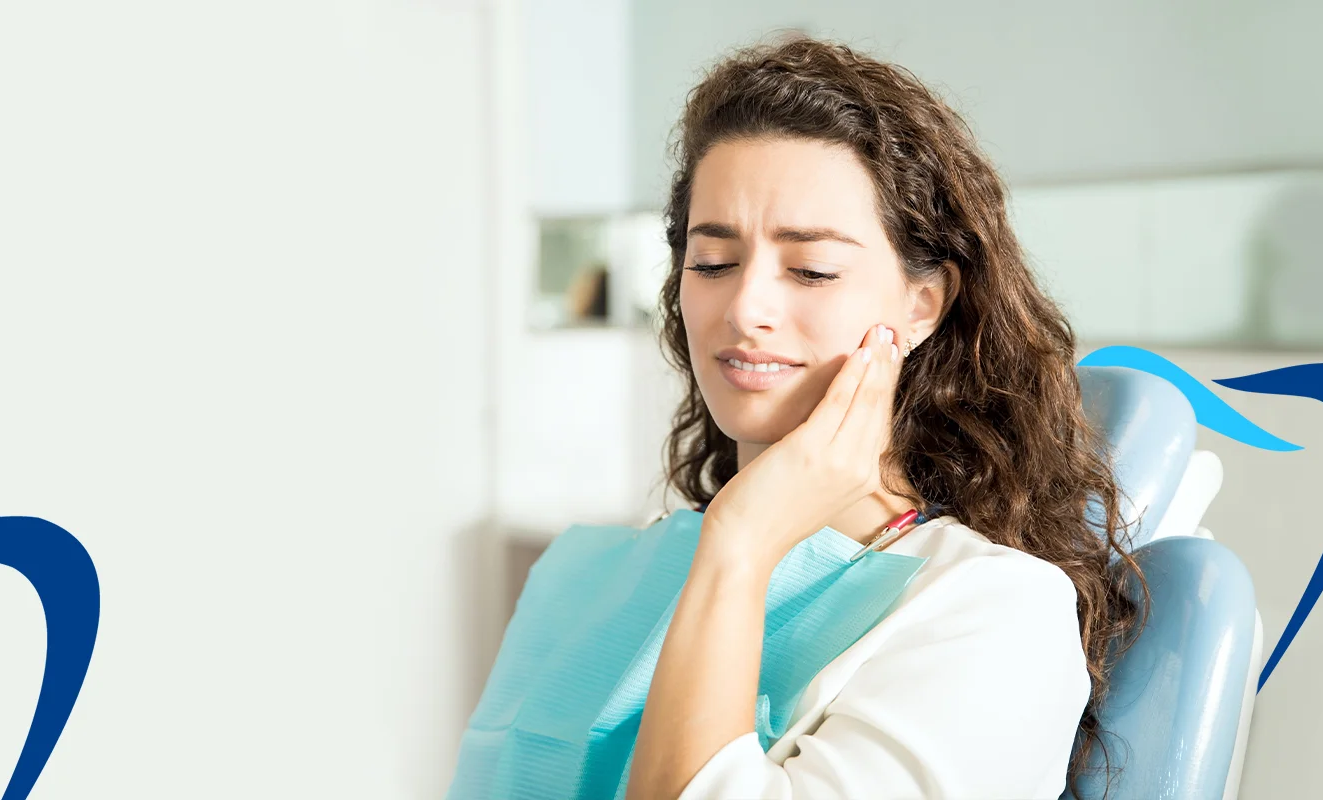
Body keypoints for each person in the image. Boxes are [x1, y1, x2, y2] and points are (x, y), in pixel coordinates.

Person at [456, 35, 1144, 800]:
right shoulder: (588, 575)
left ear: (923, 303)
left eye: (810, 270)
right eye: (711, 262)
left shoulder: (991, 613)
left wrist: (742, 547)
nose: (745, 309)